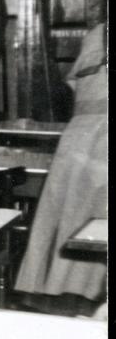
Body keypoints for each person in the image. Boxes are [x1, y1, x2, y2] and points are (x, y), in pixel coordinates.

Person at [13, 20, 108, 304]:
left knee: (68, 229)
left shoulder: (98, 32)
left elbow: (75, 86)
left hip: (78, 140)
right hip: (92, 143)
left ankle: (66, 298)